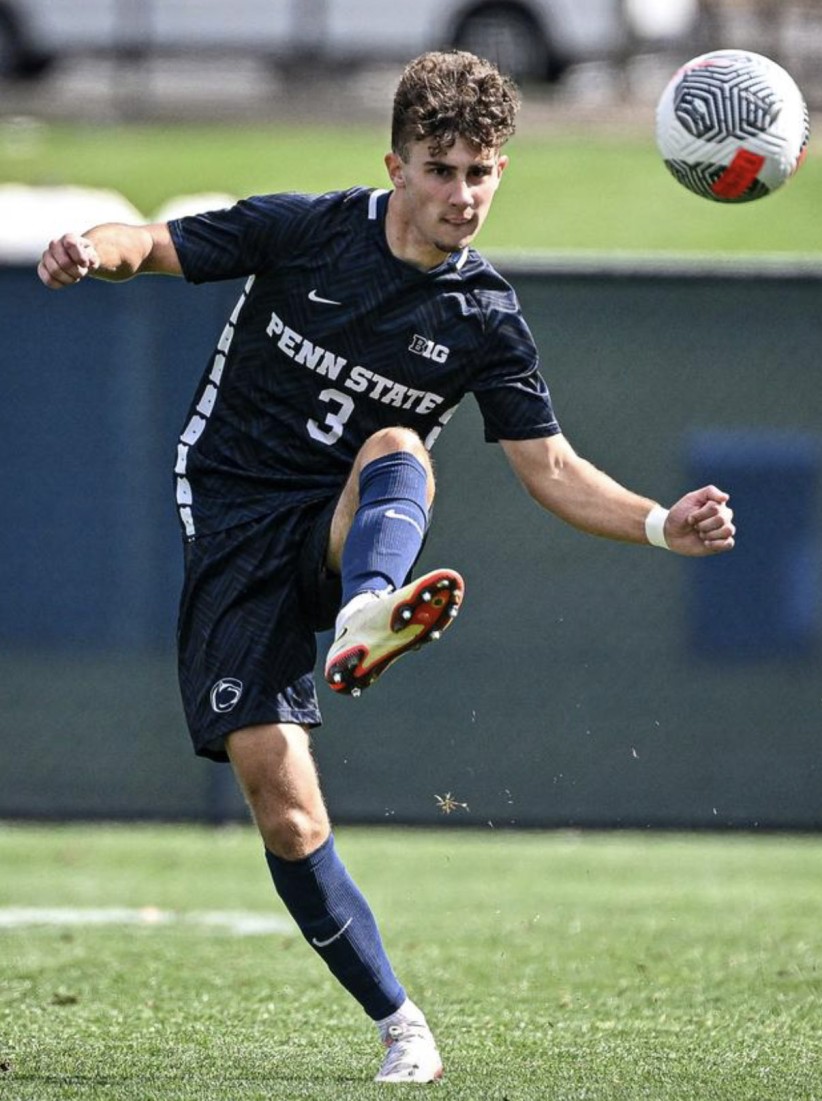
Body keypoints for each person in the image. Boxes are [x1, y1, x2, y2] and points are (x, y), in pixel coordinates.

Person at [37, 50, 735, 1084]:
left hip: (352, 528)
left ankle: (369, 611)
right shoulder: (307, 229)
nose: (463, 194)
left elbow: (550, 467)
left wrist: (655, 526)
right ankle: (401, 1021)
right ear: (396, 165)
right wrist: (84, 250)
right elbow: (148, 241)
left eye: (482, 172)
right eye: (442, 168)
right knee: (286, 805)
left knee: (399, 447)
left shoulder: (484, 317)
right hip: (234, 517)